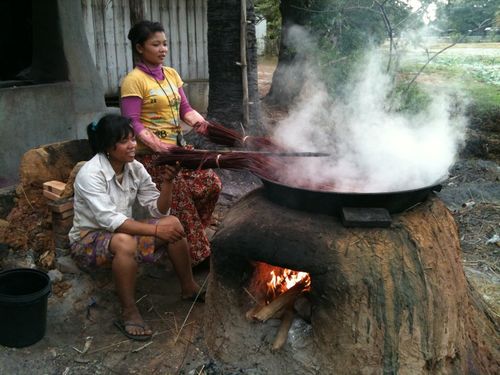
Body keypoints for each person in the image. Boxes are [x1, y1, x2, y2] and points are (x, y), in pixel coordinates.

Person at [69, 114, 203, 341]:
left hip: (122, 232)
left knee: (173, 223)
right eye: (124, 141)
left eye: (133, 139)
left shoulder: (135, 168)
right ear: (108, 147)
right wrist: (156, 231)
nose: (133, 145)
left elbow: (158, 211)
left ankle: (188, 287)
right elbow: (112, 221)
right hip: (88, 240)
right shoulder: (91, 174)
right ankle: (129, 311)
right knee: (125, 241)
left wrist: (168, 183)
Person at [120, 20, 222, 267]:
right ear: (140, 48)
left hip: (178, 149)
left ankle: (191, 233)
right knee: (181, 195)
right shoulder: (133, 80)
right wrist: (158, 147)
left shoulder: (172, 74)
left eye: (164, 43)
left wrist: (204, 126)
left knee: (211, 183)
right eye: (156, 44)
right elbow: (131, 122)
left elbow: (185, 109)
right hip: (151, 156)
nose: (163, 48)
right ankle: (200, 257)